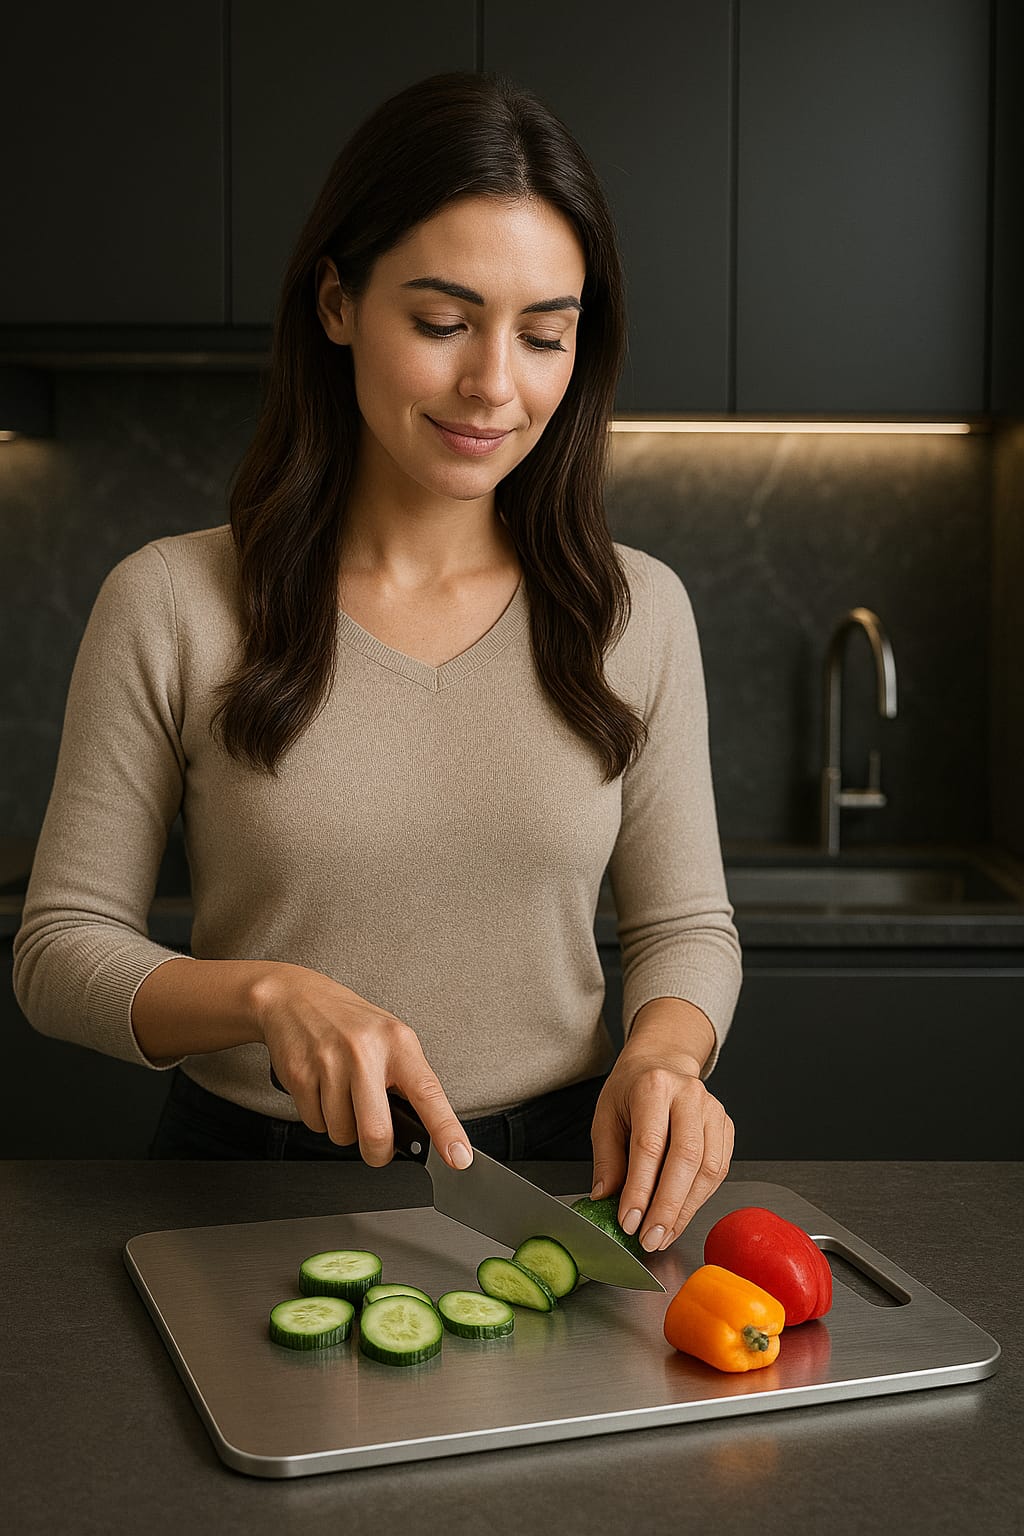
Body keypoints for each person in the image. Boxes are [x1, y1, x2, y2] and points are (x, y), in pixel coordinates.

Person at [13, 71, 741, 1253]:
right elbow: (58, 952)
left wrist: (664, 1054)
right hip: (247, 1184)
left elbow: (686, 925)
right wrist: (265, 992)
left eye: (543, 334)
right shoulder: (171, 600)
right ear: (338, 303)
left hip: (560, 1187)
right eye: (443, 323)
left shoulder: (632, 610)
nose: (493, 386)